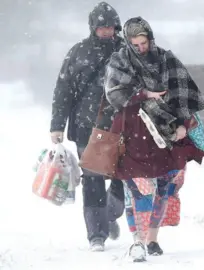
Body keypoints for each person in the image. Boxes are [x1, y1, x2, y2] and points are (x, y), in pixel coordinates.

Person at [104, 16, 204, 262]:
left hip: (167, 131)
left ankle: (152, 238)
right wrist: (143, 94)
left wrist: (182, 124)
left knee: (165, 185)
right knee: (135, 187)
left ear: (151, 38)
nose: (141, 48)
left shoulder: (167, 60)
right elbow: (113, 94)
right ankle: (137, 241)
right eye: (136, 44)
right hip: (132, 131)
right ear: (128, 42)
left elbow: (183, 94)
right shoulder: (119, 62)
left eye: (145, 42)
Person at [49, 2, 126, 251]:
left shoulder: (127, 52)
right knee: (93, 179)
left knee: (121, 175)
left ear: (116, 26)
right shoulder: (78, 52)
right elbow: (63, 91)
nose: (106, 31)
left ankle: (110, 213)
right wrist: (57, 125)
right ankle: (96, 234)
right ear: (93, 27)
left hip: (121, 126)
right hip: (86, 127)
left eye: (110, 26)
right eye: (101, 26)